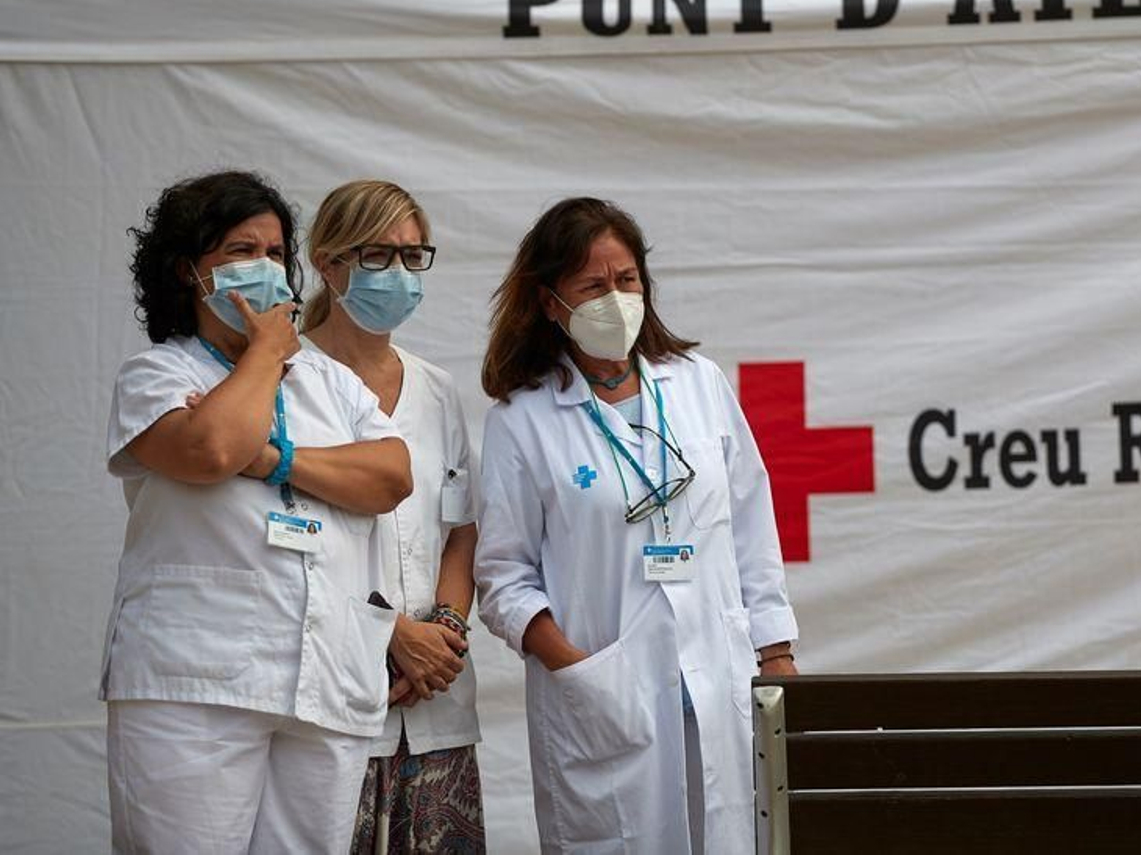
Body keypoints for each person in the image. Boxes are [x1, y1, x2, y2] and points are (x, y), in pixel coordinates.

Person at [475, 197, 799, 855]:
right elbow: (502, 575)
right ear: (549, 303)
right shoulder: (523, 418)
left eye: (627, 281)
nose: (615, 299)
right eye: (592, 286)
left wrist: (777, 655)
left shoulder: (698, 383)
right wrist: (574, 667)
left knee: (734, 834)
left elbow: (750, 528)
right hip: (604, 689)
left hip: (718, 676)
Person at [102, 170, 413, 852]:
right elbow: (212, 448)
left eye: (276, 253)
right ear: (190, 270)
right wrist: (267, 351)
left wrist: (275, 458)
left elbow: (392, 475)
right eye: (244, 251)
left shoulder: (331, 380)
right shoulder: (162, 373)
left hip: (325, 673)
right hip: (196, 679)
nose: (267, 268)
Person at [300, 180, 486, 853]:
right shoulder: (285, 379)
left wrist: (444, 632)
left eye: (414, 256)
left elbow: (459, 530)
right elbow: (291, 543)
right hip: (334, 695)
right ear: (327, 262)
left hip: (436, 700)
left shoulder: (435, 387)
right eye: (379, 255)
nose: (400, 274)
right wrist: (389, 634)